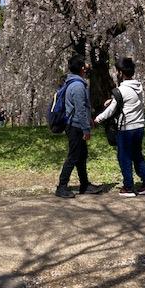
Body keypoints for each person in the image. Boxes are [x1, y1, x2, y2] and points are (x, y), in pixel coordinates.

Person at [94, 57, 145, 197]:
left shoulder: (120, 90)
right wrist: (113, 100)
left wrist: (97, 119)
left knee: (124, 157)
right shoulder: (139, 87)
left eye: (117, 71)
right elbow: (129, 101)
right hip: (139, 126)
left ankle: (128, 187)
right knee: (137, 155)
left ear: (120, 72)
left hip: (126, 128)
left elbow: (111, 110)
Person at [56, 55, 103, 198]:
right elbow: (81, 109)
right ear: (82, 68)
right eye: (85, 65)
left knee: (81, 156)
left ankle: (85, 184)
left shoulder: (73, 82)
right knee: (73, 156)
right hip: (75, 126)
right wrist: (86, 129)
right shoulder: (77, 86)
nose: (87, 67)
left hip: (75, 124)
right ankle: (62, 186)